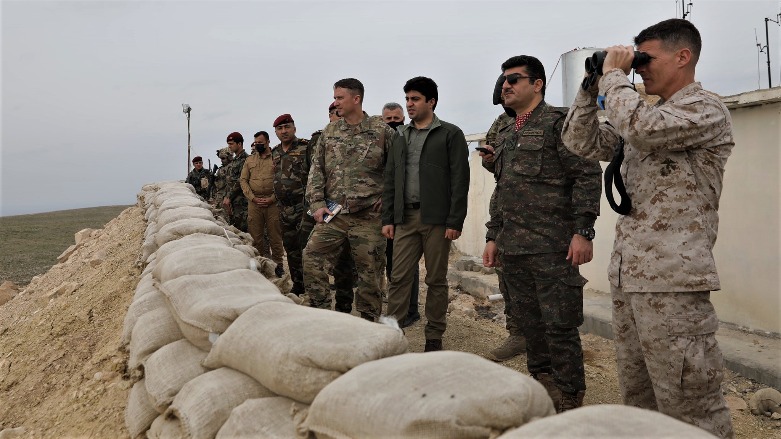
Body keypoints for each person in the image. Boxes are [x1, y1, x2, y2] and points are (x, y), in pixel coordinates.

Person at [561, 19, 734, 438]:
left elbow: (641, 128)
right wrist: (590, 85)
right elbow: (579, 142)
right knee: (640, 403)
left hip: (673, 284)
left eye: (646, 59)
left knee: (690, 404)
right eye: (636, 61)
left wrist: (616, 75)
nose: (639, 68)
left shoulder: (704, 109)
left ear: (683, 56)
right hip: (631, 277)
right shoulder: (642, 115)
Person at [482, 55, 602, 412]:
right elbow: (504, 188)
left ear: (537, 84)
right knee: (530, 327)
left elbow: (586, 174)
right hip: (513, 245)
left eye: (514, 79)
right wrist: (493, 235)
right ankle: (542, 389)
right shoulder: (504, 129)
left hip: (553, 247)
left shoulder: (559, 123)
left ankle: (569, 398)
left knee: (560, 328)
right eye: (503, 80)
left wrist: (584, 230)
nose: (506, 85)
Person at [382, 77, 470, 352]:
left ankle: (434, 337)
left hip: (437, 220)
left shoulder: (450, 134)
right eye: (407, 99)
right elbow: (391, 178)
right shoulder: (400, 136)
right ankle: (391, 335)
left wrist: (455, 220)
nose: (409, 104)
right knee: (398, 278)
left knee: (435, 280)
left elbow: (460, 179)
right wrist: (388, 218)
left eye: (415, 99)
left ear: (431, 102)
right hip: (404, 219)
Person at [304, 78, 395, 321]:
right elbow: (317, 170)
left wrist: (388, 199)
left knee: (371, 272)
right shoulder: (330, 132)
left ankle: (368, 321)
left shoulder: (381, 131)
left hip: (369, 216)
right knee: (312, 255)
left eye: (339, 98)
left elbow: (398, 170)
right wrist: (317, 204)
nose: (335, 103)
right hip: (334, 214)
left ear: (356, 99)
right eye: (334, 98)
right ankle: (321, 315)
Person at [479, 81, 526, 362]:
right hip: (505, 208)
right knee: (507, 278)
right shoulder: (500, 124)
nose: (504, 105)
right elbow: (491, 163)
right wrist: (489, 158)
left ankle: (548, 342)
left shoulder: (553, 120)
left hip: (542, 217)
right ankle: (518, 335)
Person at [294, 108, 356, 309]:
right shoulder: (318, 139)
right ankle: (319, 305)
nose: (336, 116)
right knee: (311, 254)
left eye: (339, 112)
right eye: (333, 113)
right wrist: (316, 202)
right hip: (321, 208)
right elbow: (312, 171)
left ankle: (344, 306)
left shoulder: (362, 137)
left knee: (345, 262)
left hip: (350, 211)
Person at [381, 102, 420, 327]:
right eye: (389, 119)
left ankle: (411, 310)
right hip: (384, 212)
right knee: (390, 262)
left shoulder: (408, 139)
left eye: (397, 118)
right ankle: (396, 307)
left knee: (407, 264)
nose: (394, 122)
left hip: (405, 211)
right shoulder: (380, 141)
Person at [241, 131, 285, 275]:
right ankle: (260, 264)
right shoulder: (250, 160)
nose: (258, 145)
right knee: (256, 237)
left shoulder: (276, 158)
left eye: (260, 142)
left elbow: (282, 180)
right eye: (256, 143)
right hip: (254, 203)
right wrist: (252, 198)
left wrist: (273, 198)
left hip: (272, 203)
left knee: (275, 236)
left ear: (267, 142)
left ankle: (278, 265)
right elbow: (243, 180)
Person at [221, 132, 250, 232]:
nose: (229, 146)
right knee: (235, 231)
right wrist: (226, 196)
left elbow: (240, 181)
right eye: (228, 144)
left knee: (244, 231)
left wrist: (229, 196)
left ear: (239, 144)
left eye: (231, 144)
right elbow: (229, 181)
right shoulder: (234, 161)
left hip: (242, 202)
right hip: (232, 202)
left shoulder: (246, 159)